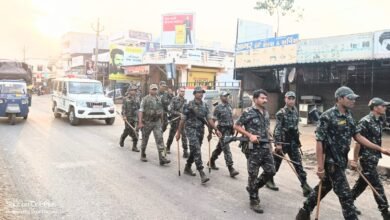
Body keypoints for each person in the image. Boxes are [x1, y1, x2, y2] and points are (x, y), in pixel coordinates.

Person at [296, 86, 390, 220]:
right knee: (346, 197)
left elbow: (358, 137)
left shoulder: (349, 116)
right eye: (350, 98)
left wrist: (380, 149)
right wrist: (320, 167)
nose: (354, 101)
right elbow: (319, 142)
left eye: (354, 98)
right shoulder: (327, 116)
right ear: (340, 99)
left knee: (324, 187)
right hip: (331, 163)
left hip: (341, 162)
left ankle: (304, 211)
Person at [233, 89, 275, 214]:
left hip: (265, 146)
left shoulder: (266, 113)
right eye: (262, 98)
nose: (265, 100)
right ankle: (254, 200)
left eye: (266, 98)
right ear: (255, 99)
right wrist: (249, 135)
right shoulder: (248, 112)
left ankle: (253, 187)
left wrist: (271, 139)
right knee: (253, 174)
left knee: (271, 170)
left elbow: (266, 128)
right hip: (253, 148)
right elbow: (236, 126)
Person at [267, 91, 312, 197]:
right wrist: (278, 144)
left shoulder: (295, 111)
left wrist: (297, 140)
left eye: (293, 98)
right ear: (285, 99)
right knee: (275, 164)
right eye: (289, 98)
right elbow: (277, 129)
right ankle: (268, 179)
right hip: (283, 142)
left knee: (298, 164)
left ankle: (304, 185)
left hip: (293, 143)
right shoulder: (281, 113)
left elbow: (295, 127)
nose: (291, 100)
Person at [351, 98, 390, 219]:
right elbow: (357, 142)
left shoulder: (379, 120)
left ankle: (348, 201)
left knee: (362, 183)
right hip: (367, 158)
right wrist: (355, 160)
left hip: (374, 157)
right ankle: (385, 212)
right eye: (382, 106)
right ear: (375, 107)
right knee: (376, 185)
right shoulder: (365, 121)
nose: (385, 107)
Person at [176, 86, 222, 184]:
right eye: (199, 92)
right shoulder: (188, 105)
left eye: (202, 92)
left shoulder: (205, 106)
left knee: (195, 150)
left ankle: (188, 167)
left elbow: (209, 120)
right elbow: (182, 120)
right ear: (194, 94)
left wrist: (216, 129)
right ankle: (201, 172)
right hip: (190, 129)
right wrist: (178, 133)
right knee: (196, 149)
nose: (201, 94)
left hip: (200, 130)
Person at [138, 84, 170, 165]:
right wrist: (140, 122)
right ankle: (143, 154)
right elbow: (141, 110)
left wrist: (162, 121)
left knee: (160, 139)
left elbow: (161, 110)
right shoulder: (145, 99)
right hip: (147, 122)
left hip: (157, 122)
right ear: (149, 90)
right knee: (145, 139)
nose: (154, 91)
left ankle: (162, 158)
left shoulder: (159, 99)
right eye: (153, 89)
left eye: (155, 89)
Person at [209, 91, 239, 178]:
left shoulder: (229, 106)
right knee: (226, 148)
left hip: (229, 130)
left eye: (227, 96)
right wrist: (211, 131)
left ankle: (211, 161)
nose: (226, 97)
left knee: (220, 147)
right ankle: (231, 168)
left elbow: (230, 118)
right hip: (221, 130)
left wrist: (233, 128)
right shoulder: (218, 107)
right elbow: (213, 120)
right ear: (221, 97)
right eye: (225, 96)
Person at [166, 87, 189, 158]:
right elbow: (171, 110)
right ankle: (168, 147)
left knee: (184, 136)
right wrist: (179, 114)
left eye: (184, 91)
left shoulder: (185, 101)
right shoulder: (174, 99)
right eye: (181, 91)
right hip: (175, 120)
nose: (183, 93)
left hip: (182, 121)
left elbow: (186, 110)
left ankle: (185, 151)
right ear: (178, 91)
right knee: (171, 135)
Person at [119, 85, 140, 152]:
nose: (133, 91)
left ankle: (134, 146)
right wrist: (124, 116)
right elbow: (123, 108)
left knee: (136, 131)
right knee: (127, 130)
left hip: (135, 118)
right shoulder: (126, 99)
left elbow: (139, 108)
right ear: (129, 91)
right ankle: (122, 138)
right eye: (132, 90)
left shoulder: (137, 98)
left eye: (134, 90)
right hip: (128, 118)